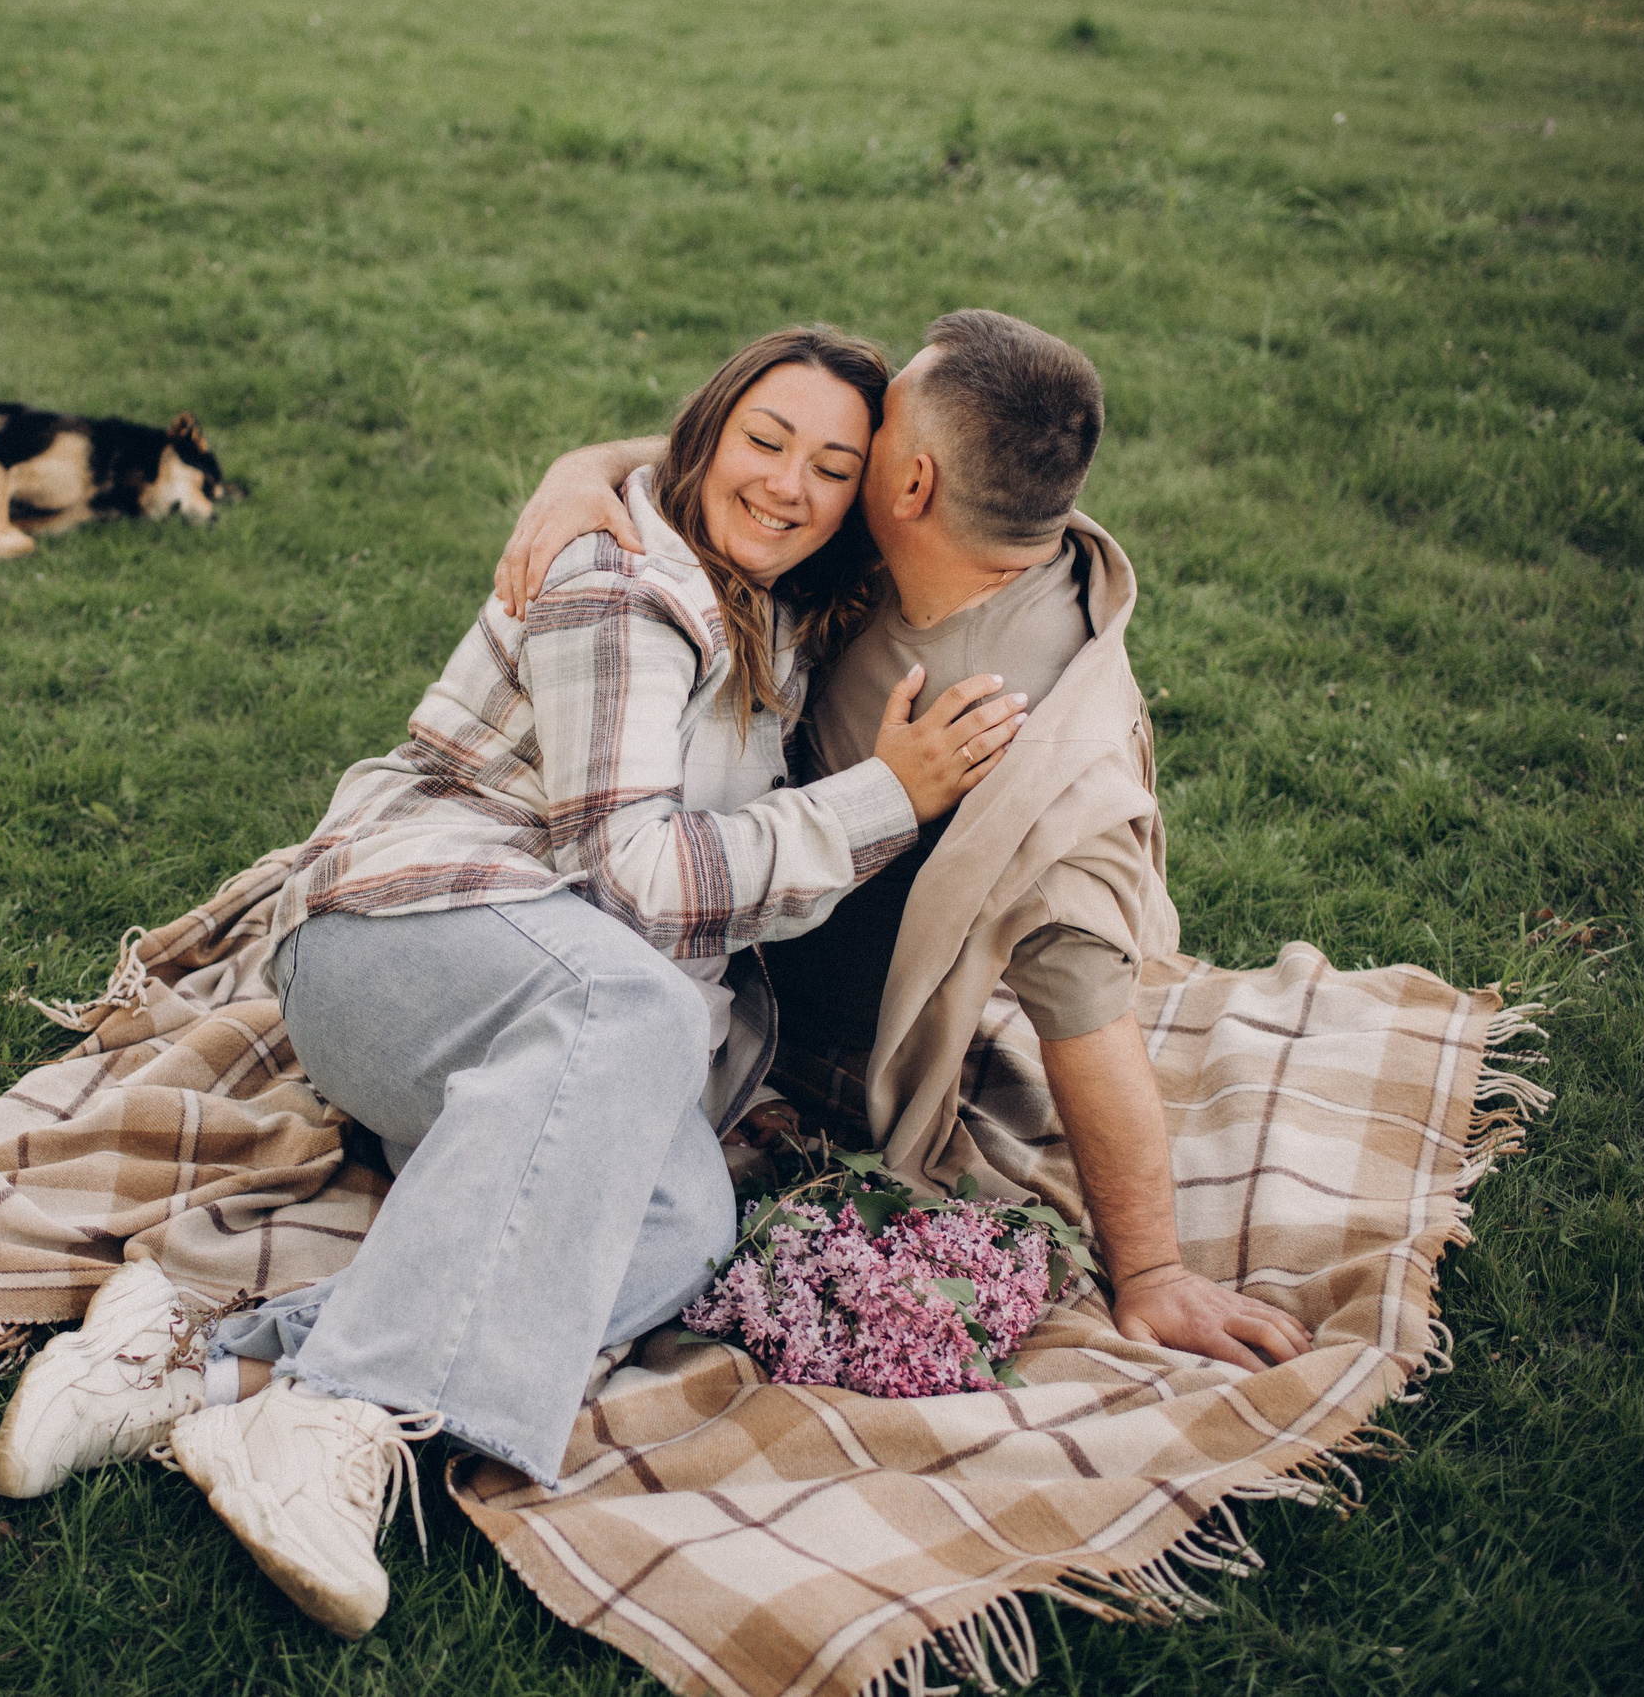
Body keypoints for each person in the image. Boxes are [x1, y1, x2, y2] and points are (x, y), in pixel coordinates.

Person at [0, 326, 1028, 1638]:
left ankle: (194, 1353)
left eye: (833, 465)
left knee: (680, 1221)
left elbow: (990, 493)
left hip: (543, 1020)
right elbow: (636, 881)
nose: (789, 484)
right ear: (707, 434)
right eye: (765, 441)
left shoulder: (783, 610)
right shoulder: (618, 577)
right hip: (394, 938)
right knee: (632, 1004)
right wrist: (885, 799)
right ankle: (336, 1420)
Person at [492, 310, 1314, 1378]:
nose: (826, 470)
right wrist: (582, 469)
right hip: (693, 850)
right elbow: (756, 450)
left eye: (863, 448)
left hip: (778, 997)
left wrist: (1151, 1271)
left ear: (910, 483)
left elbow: (1083, 995)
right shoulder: (969, 529)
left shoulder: (1013, 731)